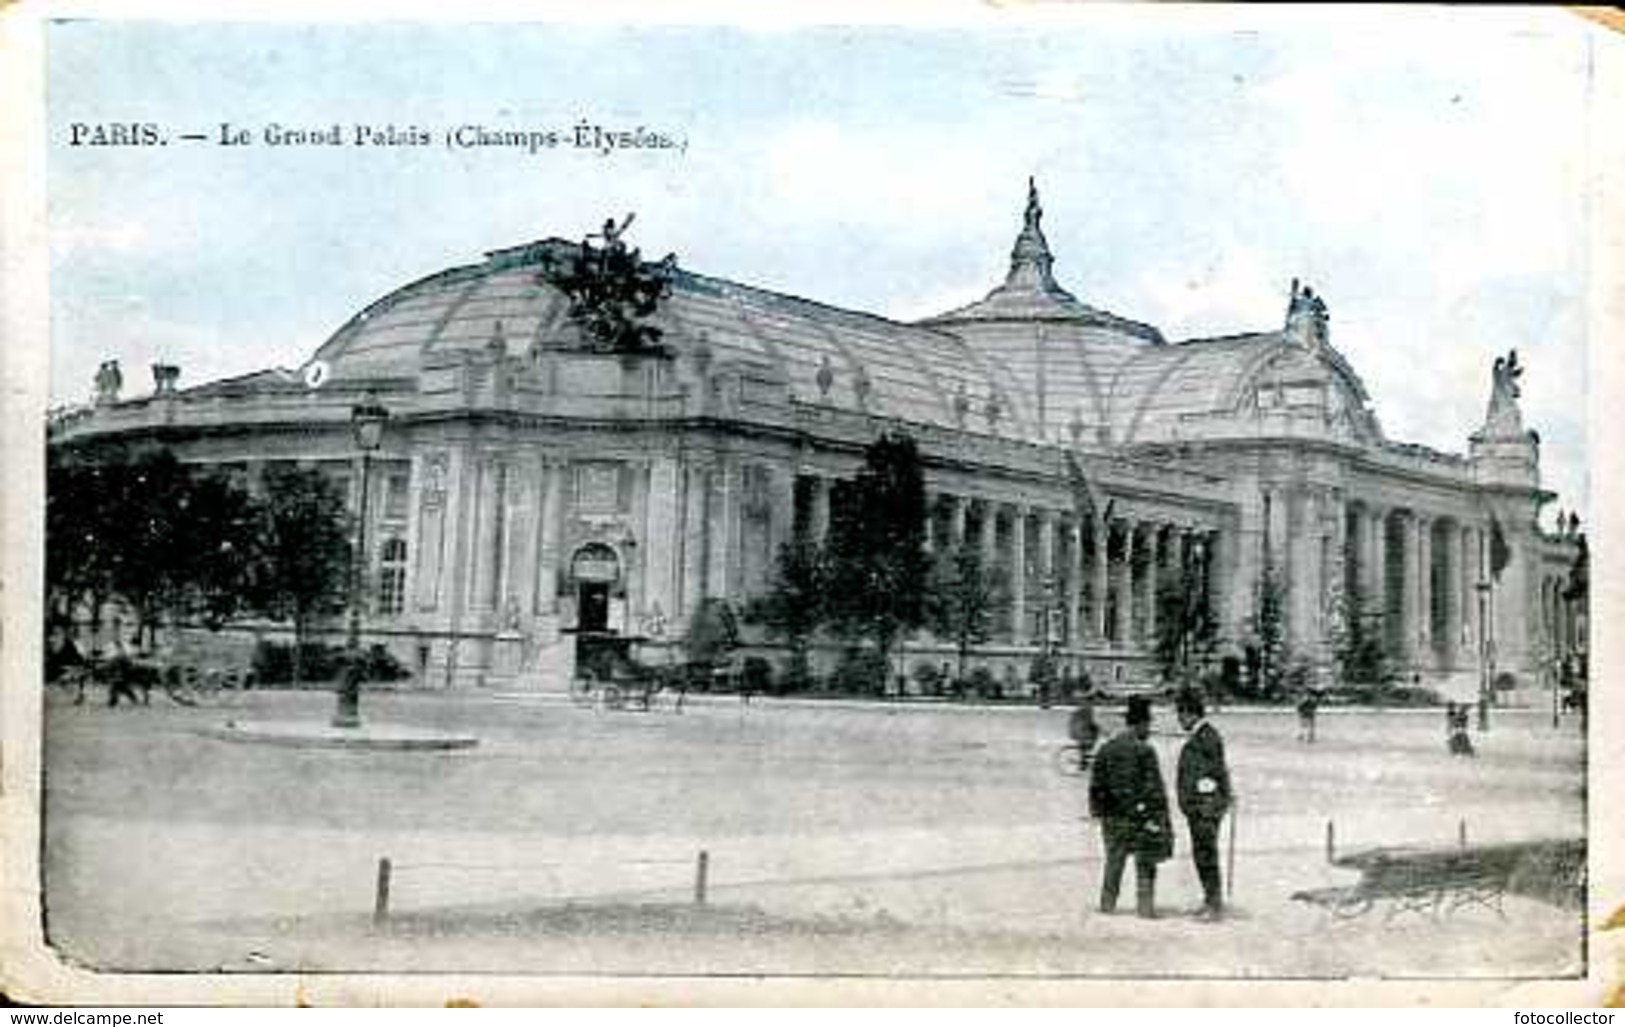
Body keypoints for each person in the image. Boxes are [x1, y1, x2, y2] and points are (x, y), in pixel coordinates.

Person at [1088, 695, 1173, 918]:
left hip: (1113, 818)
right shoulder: (1145, 751)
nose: (1150, 730)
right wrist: (1159, 818)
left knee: (1113, 862)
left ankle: (1107, 905)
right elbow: (1154, 789)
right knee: (1145, 863)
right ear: (1142, 724)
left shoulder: (1107, 748)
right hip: (1139, 817)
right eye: (1148, 725)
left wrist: (1099, 812)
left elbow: (1096, 785)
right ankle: (1145, 909)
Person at [1175, 689, 1233, 921]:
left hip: (1205, 808)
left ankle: (1214, 905)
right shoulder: (1202, 735)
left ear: (1191, 714)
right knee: (1202, 854)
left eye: (1181, 715)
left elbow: (1214, 774)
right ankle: (1210, 900)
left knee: (1206, 855)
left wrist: (1206, 804)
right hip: (1200, 807)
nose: (1179, 720)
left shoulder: (1207, 737)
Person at [1067, 698, 1101, 773]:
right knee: (1086, 745)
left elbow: (1089, 722)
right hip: (1081, 732)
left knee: (1084, 747)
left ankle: (1084, 761)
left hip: (1079, 731)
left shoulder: (1085, 709)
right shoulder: (1087, 709)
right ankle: (1083, 762)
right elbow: (1088, 723)